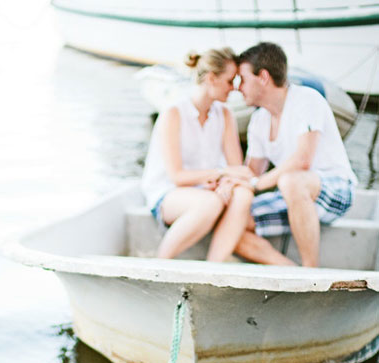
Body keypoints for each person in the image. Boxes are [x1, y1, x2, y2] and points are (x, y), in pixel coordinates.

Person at [235, 42, 357, 268]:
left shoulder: (306, 100)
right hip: (294, 195)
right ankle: (290, 270)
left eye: (242, 79)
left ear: (262, 77)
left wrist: (257, 183)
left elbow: (303, 160)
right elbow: (251, 171)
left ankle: (310, 272)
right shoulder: (259, 120)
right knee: (233, 223)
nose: (238, 87)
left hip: (335, 189)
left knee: (291, 180)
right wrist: (227, 180)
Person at [141, 48, 253, 261]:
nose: (234, 88)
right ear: (212, 78)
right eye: (230, 81)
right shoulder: (173, 113)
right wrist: (220, 174)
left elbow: (236, 168)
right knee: (211, 203)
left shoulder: (225, 115)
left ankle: (213, 267)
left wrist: (227, 181)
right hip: (168, 193)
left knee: (243, 194)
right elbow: (177, 176)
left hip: (205, 189)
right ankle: (161, 263)